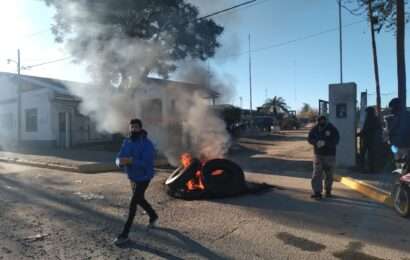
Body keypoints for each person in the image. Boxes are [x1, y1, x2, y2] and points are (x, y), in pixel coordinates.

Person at [114, 118, 158, 246]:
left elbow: (146, 163)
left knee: (133, 203)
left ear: (140, 128)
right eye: (131, 127)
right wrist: (119, 162)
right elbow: (119, 157)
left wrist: (131, 161)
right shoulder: (127, 141)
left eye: (136, 127)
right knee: (140, 199)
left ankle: (124, 234)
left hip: (144, 177)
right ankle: (153, 216)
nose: (133, 130)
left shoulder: (147, 144)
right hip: (132, 177)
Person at [308, 115, 340, 199]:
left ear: (326, 121)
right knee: (317, 174)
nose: (321, 123)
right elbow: (309, 138)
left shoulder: (332, 128)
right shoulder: (315, 128)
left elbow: (336, 140)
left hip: (330, 155)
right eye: (319, 121)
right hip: (318, 155)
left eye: (323, 121)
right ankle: (317, 192)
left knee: (329, 174)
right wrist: (315, 142)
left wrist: (326, 143)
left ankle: (328, 191)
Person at [384, 98, 410, 163]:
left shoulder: (394, 118)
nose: (390, 110)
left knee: (400, 162)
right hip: (404, 144)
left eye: (391, 107)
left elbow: (391, 130)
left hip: (399, 144)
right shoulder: (407, 114)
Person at [357, 107, 382, 173]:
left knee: (365, 154)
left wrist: (359, 134)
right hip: (370, 140)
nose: (366, 113)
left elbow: (366, 129)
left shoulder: (371, 119)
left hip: (369, 139)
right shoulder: (374, 119)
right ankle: (370, 169)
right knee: (370, 155)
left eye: (367, 112)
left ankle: (366, 169)